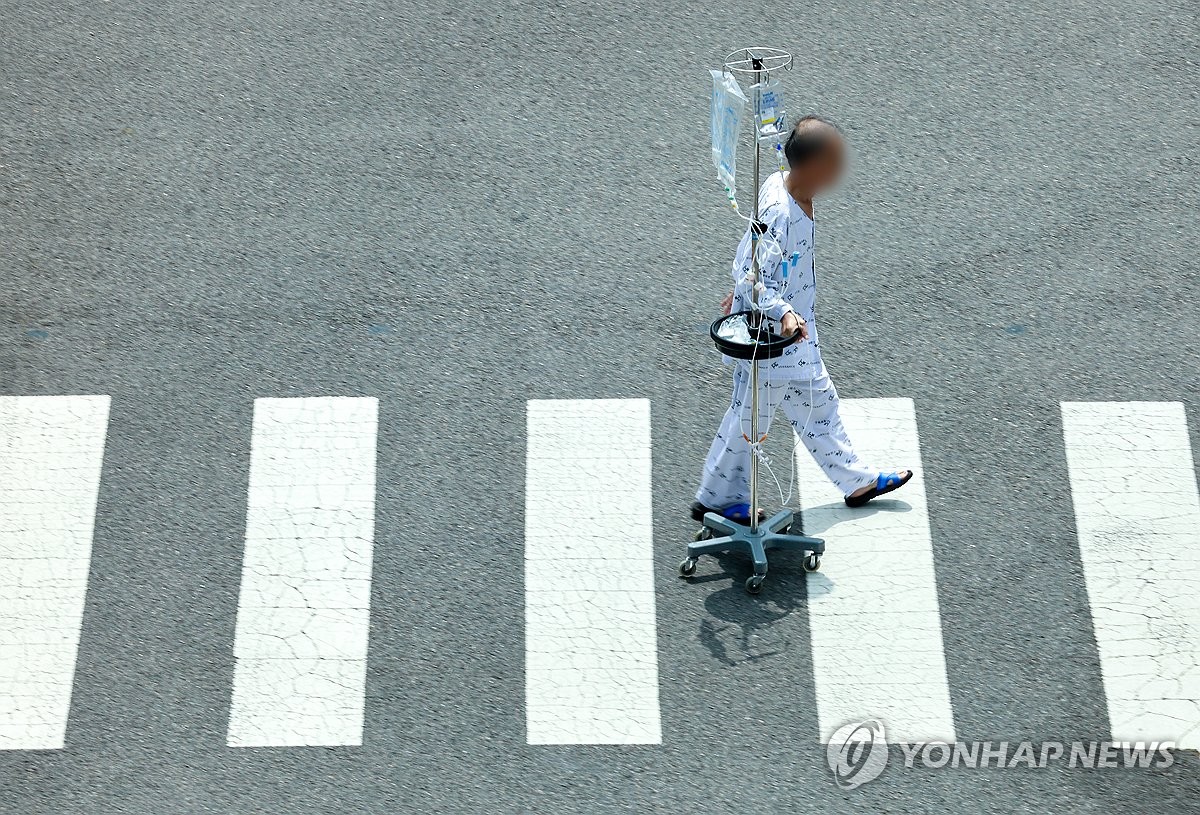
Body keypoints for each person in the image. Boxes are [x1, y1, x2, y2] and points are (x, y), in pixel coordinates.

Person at [693, 115, 912, 524]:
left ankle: (855, 481)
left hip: (797, 335)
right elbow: (757, 275)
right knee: (751, 419)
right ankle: (716, 498)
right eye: (833, 160)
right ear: (811, 166)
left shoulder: (784, 185)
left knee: (817, 404)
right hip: (775, 339)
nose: (839, 169)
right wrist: (781, 311)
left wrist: (744, 286)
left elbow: (749, 258)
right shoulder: (781, 210)